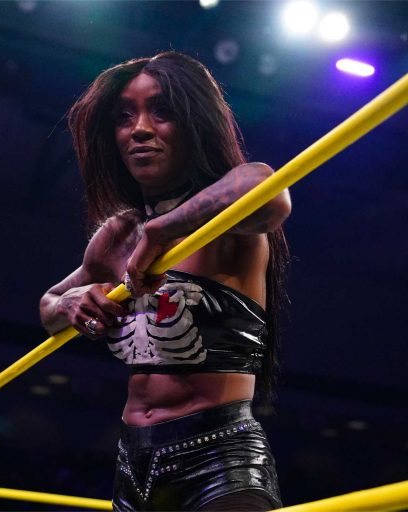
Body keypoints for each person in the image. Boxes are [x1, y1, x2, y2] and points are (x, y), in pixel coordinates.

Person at [39, 51, 291, 511]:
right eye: (124, 116)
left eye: (162, 111)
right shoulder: (118, 235)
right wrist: (72, 302)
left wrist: (161, 230)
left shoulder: (229, 217)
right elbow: (49, 304)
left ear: (195, 125)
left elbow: (268, 188)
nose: (138, 129)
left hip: (219, 457)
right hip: (131, 463)